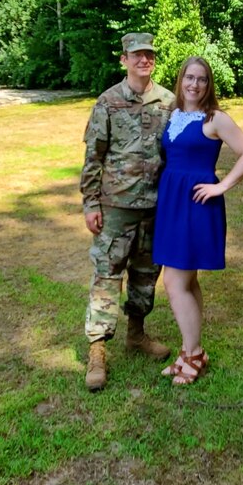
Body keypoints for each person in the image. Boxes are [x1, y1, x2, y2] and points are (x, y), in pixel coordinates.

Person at [153, 56, 243, 385]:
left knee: (174, 282)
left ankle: (194, 353)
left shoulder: (215, 119)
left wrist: (222, 185)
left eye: (201, 79)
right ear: (181, 80)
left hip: (196, 204)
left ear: (208, 83)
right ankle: (190, 352)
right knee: (188, 280)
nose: (194, 84)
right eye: (189, 77)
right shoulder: (173, 114)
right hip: (172, 201)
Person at [80, 32, 176, 391]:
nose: (143, 60)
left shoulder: (168, 102)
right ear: (124, 60)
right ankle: (97, 352)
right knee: (107, 277)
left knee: (145, 276)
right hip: (116, 208)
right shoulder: (107, 102)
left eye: (149, 55)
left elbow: (176, 152)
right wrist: (91, 202)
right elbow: (94, 157)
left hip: (154, 207)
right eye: (136, 55)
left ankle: (137, 335)